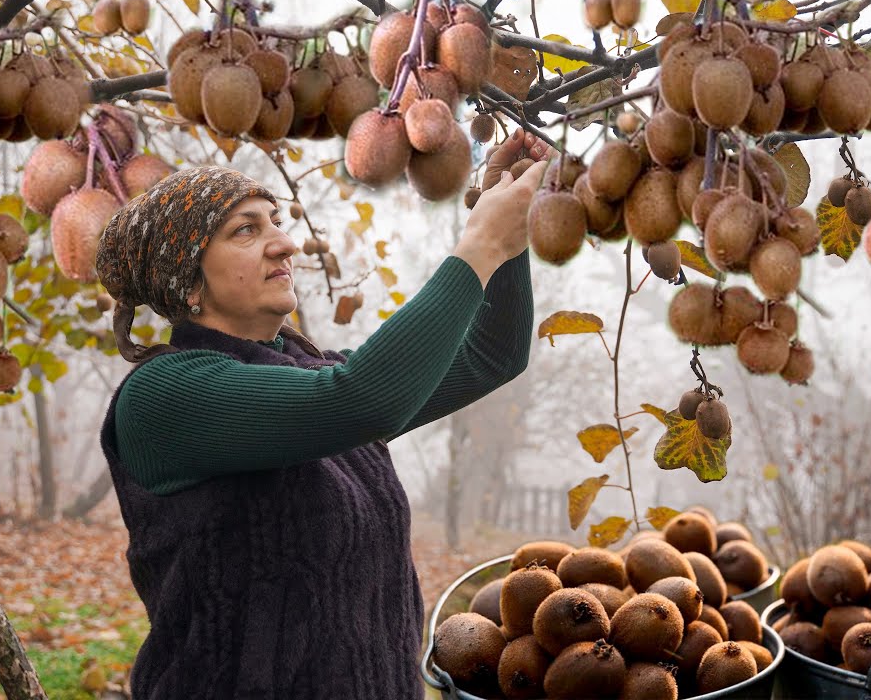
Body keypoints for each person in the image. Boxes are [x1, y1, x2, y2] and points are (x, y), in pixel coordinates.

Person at [95, 129, 553, 699]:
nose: (284, 243)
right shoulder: (164, 397)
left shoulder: (315, 376)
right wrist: (478, 246)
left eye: (275, 221)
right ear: (187, 279)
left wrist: (503, 233)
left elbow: (493, 355)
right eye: (245, 229)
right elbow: (363, 398)